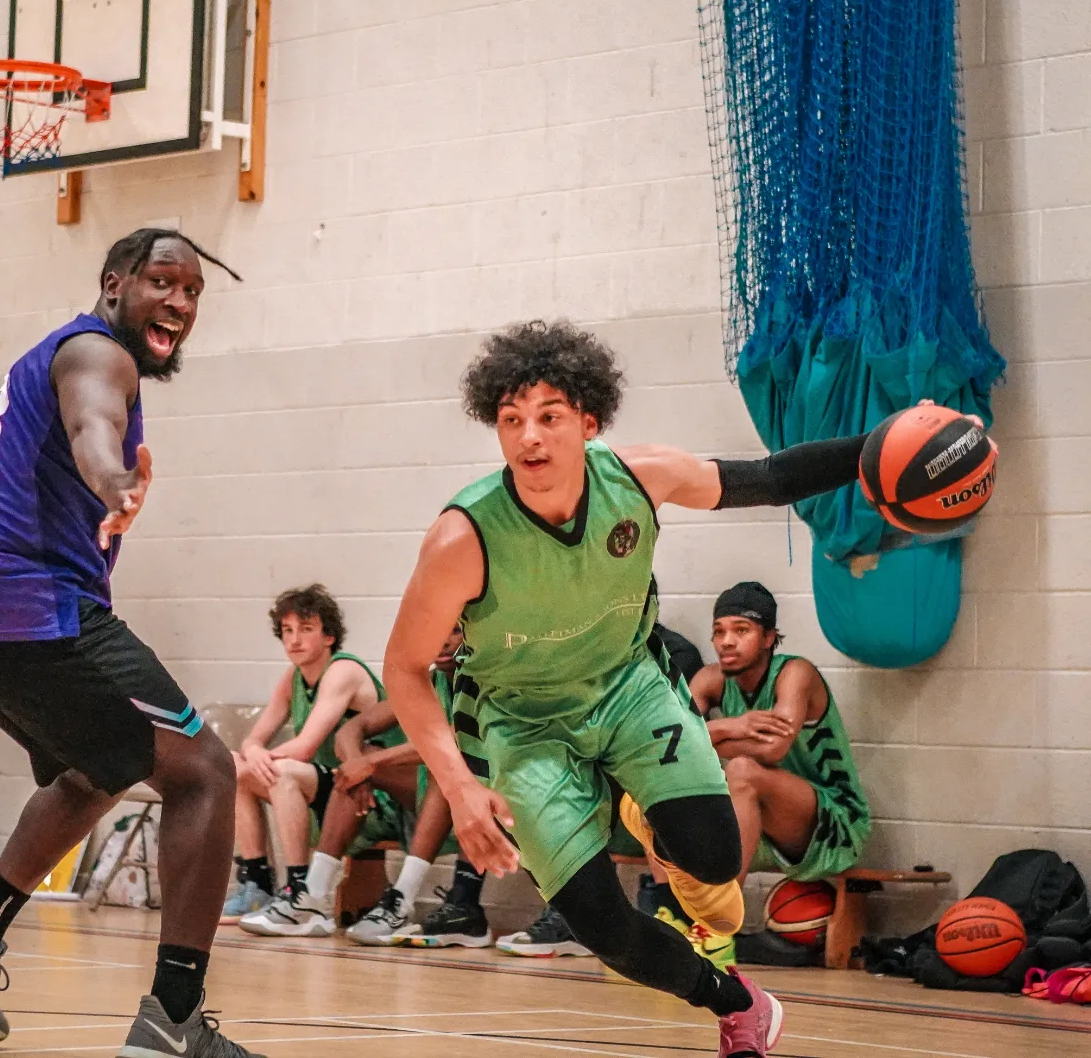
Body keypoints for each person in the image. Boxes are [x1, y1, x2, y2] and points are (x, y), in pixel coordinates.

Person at [384, 320, 928, 1057]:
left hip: (629, 689)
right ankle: (738, 1005)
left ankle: (644, 808)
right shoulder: (463, 538)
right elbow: (405, 669)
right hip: (522, 724)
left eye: (548, 416)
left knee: (712, 861)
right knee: (603, 927)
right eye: (512, 421)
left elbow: (767, 480)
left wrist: (881, 447)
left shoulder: (640, 478)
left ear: (589, 420)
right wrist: (458, 783)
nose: (529, 439)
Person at [0, 229, 264, 1058]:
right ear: (113, 282)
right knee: (204, 774)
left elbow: (1, 493)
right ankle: (175, 1021)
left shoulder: (49, 360)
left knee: (102, 766)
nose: (181, 304)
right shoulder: (97, 354)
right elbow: (95, 430)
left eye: (194, 292)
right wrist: (117, 485)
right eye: (163, 282)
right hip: (26, 608)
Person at [241, 628, 490, 948]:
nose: (442, 639)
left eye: (454, 631)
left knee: (441, 769)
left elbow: (453, 742)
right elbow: (353, 729)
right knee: (358, 767)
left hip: (487, 802)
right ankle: (312, 898)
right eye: (437, 629)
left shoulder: (486, 681)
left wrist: (372, 765)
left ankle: (402, 900)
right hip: (417, 804)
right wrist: (359, 764)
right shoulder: (426, 681)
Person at [497, 617, 706, 960]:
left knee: (626, 773)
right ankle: (572, 912)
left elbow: (665, 730)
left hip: (658, 778)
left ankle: (666, 917)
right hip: (607, 777)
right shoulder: (581, 646)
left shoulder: (675, 653)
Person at [224, 585, 395, 933]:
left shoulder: (343, 671)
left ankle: (300, 889)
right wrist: (253, 752)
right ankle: (256, 883)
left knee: (283, 771)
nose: (294, 640)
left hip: (373, 790)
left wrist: (259, 755)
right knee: (232, 767)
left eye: (305, 629)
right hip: (328, 785)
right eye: (287, 631)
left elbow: (304, 747)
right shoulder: (293, 678)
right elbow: (253, 738)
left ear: (329, 635)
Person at [692, 581, 870, 889]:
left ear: (768, 637)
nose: (726, 642)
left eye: (741, 630)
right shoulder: (710, 679)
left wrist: (705, 740)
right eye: (719, 631)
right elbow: (669, 742)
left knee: (742, 771)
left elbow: (773, 748)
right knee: (658, 788)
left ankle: (718, 920)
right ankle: (668, 909)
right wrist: (728, 726)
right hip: (758, 825)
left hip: (833, 826)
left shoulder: (795, 673)